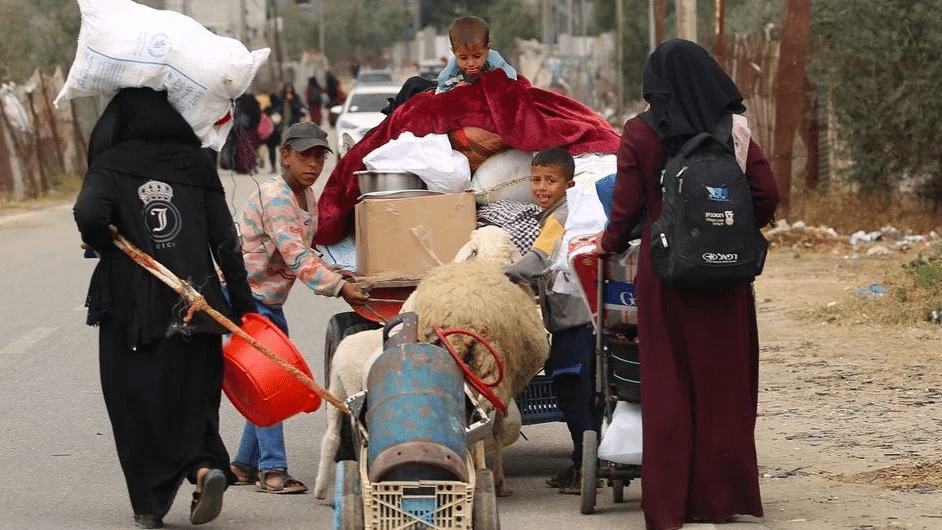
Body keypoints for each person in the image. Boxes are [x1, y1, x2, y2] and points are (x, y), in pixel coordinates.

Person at [594, 39, 780, 529]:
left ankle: (671, 504)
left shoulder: (639, 131)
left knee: (668, 386)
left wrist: (608, 245)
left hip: (669, 272)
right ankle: (720, 498)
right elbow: (767, 192)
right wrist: (733, 226)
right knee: (725, 383)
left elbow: (626, 207)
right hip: (727, 274)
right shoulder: (733, 128)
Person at [73, 87, 257, 528]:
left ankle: (150, 507)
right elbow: (226, 243)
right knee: (193, 400)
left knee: (136, 402)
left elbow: (89, 213)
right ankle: (202, 469)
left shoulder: (111, 165)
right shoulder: (196, 164)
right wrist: (242, 305)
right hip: (197, 308)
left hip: (133, 314)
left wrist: (105, 244)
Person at [228, 121, 370, 494]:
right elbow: (294, 255)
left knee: (269, 378)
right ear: (284, 155)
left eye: (319, 157)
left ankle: (244, 464)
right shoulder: (276, 196)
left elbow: (309, 252)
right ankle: (272, 471)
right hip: (247, 298)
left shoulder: (304, 197)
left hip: (269, 299)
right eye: (305, 156)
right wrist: (340, 288)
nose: (313, 165)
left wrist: (341, 271)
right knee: (269, 381)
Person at [503, 147, 600, 494]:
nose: (541, 187)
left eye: (551, 180)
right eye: (536, 179)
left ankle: (586, 468)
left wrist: (499, 274)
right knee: (585, 393)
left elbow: (539, 259)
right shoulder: (565, 212)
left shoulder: (560, 216)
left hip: (574, 322)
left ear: (568, 184)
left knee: (573, 390)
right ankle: (583, 462)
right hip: (584, 318)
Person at [436, 16, 518, 94]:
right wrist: (454, 90)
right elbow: (438, 94)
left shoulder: (495, 62)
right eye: (463, 58)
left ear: (487, 49)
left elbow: (513, 79)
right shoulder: (450, 72)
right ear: (454, 52)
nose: (471, 63)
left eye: (477, 56)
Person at [265, 83, 305, 170]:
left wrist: (292, 101)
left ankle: (288, 164)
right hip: (280, 125)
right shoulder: (280, 98)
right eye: (287, 88)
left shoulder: (295, 98)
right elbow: (274, 108)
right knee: (278, 146)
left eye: (290, 88)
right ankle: (275, 166)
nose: (288, 90)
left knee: (289, 146)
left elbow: (298, 109)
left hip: (292, 124)